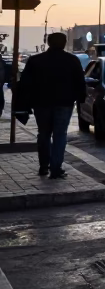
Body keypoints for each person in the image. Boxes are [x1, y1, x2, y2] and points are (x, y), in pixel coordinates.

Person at [15, 33, 85, 179]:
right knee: (60, 135)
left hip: (41, 104)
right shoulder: (72, 60)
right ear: (65, 43)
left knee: (43, 134)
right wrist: (80, 100)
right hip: (64, 103)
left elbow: (25, 84)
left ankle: (43, 166)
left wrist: (24, 104)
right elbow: (80, 82)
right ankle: (55, 168)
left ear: (48, 43)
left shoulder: (35, 60)